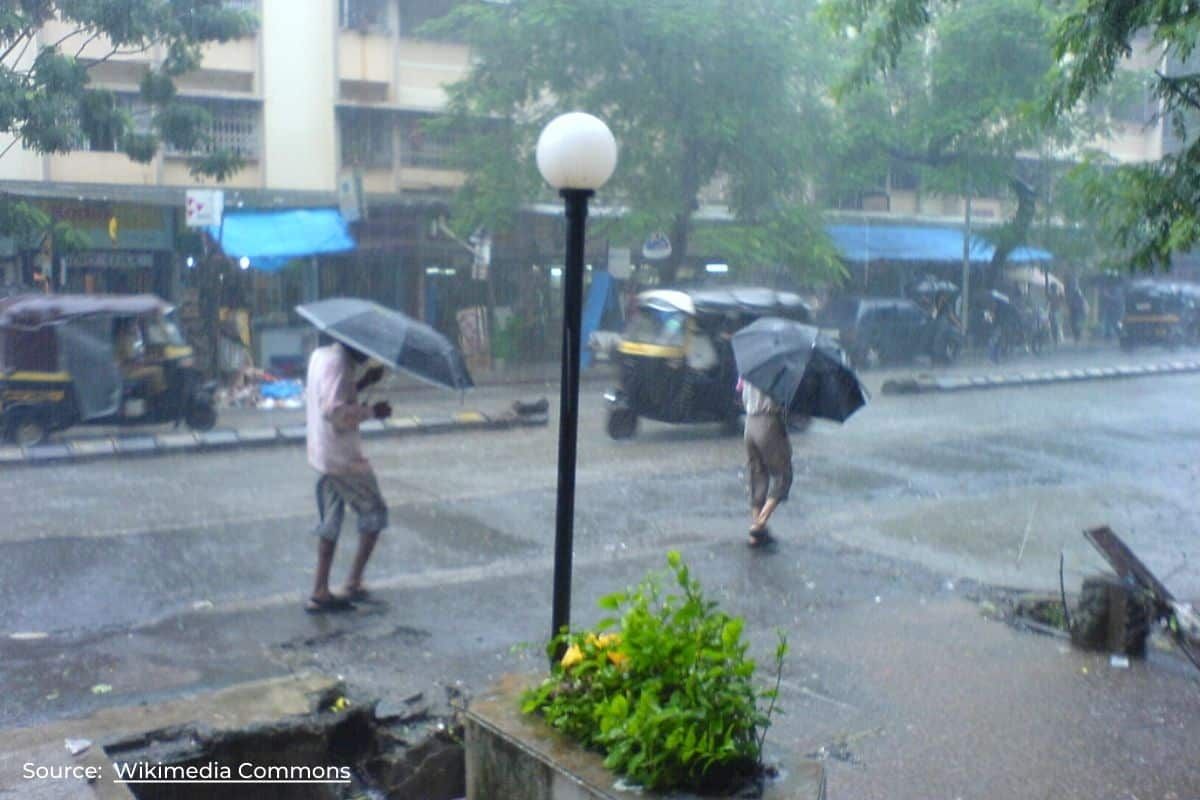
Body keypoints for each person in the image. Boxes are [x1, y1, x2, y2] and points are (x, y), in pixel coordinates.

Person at [304, 336, 392, 613]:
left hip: (323, 452)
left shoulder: (321, 356)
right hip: (343, 458)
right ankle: (353, 581)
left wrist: (364, 382)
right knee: (375, 512)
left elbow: (331, 393)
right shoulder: (339, 363)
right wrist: (372, 411)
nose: (368, 353)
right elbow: (335, 411)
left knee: (331, 521)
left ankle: (320, 589)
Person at [738, 376, 792, 547]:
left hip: (749, 425)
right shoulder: (780, 372)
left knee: (758, 475)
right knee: (784, 476)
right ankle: (759, 524)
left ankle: (756, 536)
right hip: (768, 422)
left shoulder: (750, 370)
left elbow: (739, 391)